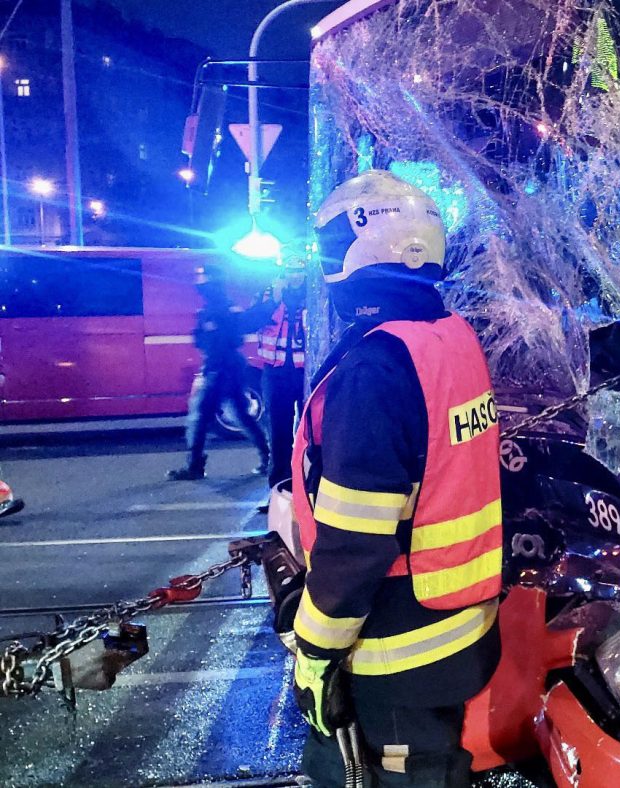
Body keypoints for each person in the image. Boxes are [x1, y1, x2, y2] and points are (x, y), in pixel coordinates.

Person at [290, 169, 502, 787]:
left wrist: (316, 651)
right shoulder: (451, 338)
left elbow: (356, 541)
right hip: (459, 627)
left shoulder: (376, 368)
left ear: (372, 247)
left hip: (395, 646)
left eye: (332, 247)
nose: (327, 263)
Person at [167, 267, 270, 481]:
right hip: (225, 367)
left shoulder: (219, 309)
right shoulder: (219, 307)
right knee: (238, 415)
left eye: (203, 282)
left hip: (221, 369)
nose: (200, 285)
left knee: (201, 417)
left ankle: (195, 466)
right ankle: (267, 457)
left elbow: (217, 340)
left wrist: (211, 364)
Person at [250, 255, 308, 491]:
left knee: (310, 434)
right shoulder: (268, 296)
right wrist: (273, 301)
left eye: (299, 271)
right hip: (275, 374)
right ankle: (279, 492)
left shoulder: (315, 296)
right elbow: (249, 321)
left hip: (306, 373)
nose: (294, 276)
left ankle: (308, 489)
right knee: (278, 436)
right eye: (290, 271)